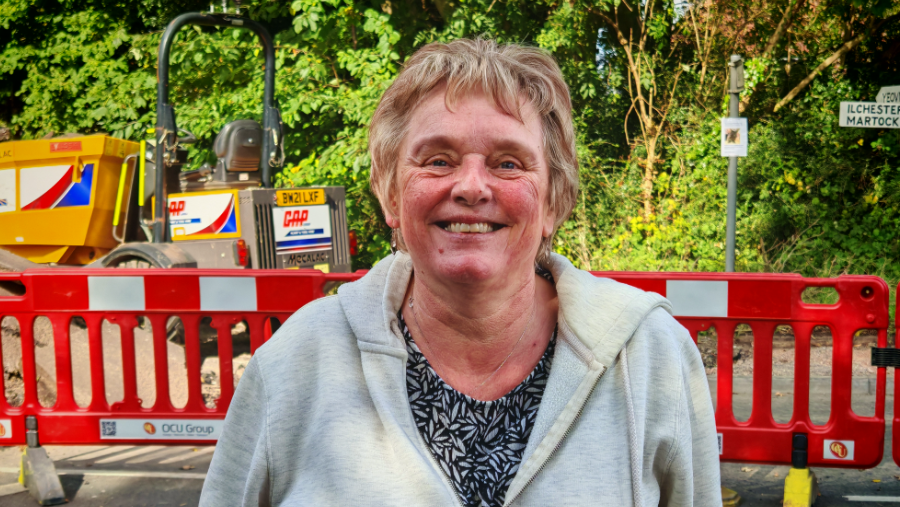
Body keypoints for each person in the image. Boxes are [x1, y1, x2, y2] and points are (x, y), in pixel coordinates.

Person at [200, 38, 721, 506]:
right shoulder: (294, 365)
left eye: (509, 163)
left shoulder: (652, 358)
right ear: (390, 193)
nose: (472, 187)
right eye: (439, 160)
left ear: (554, 202)